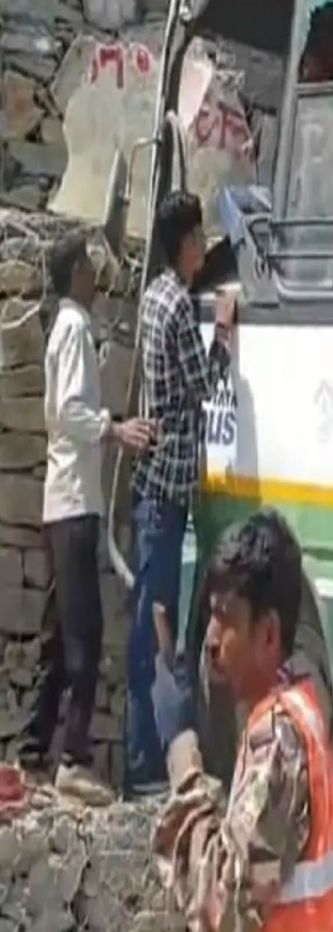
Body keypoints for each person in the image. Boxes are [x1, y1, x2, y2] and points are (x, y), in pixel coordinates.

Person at [150, 510, 333, 932]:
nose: (212, 641)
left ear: (267, 634)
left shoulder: (278, 738)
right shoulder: (296, 711)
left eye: (226, 619)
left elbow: (223, 907)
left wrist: (182, 755)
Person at [17, 233, 155, 805]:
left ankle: (29, 753)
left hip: (65, 502)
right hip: (74, 502)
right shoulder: (73, 328)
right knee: (84, 636)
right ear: (74, 272)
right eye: (90, 268)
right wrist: (113, 428)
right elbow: (69, 412)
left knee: (58, 634)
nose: (98, 278)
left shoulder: (67, 327)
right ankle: (73, 758)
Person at [126, 191, 236, 796]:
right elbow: (203, 383)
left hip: (156, 481)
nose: (202, 248)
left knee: (152, 619)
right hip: (168, 485)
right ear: (184, 244)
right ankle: (144, 765)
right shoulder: (177, 310)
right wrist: (221, 331)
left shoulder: (153, 298)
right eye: (198, 238)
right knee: (155, 626)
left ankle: (143, 756)